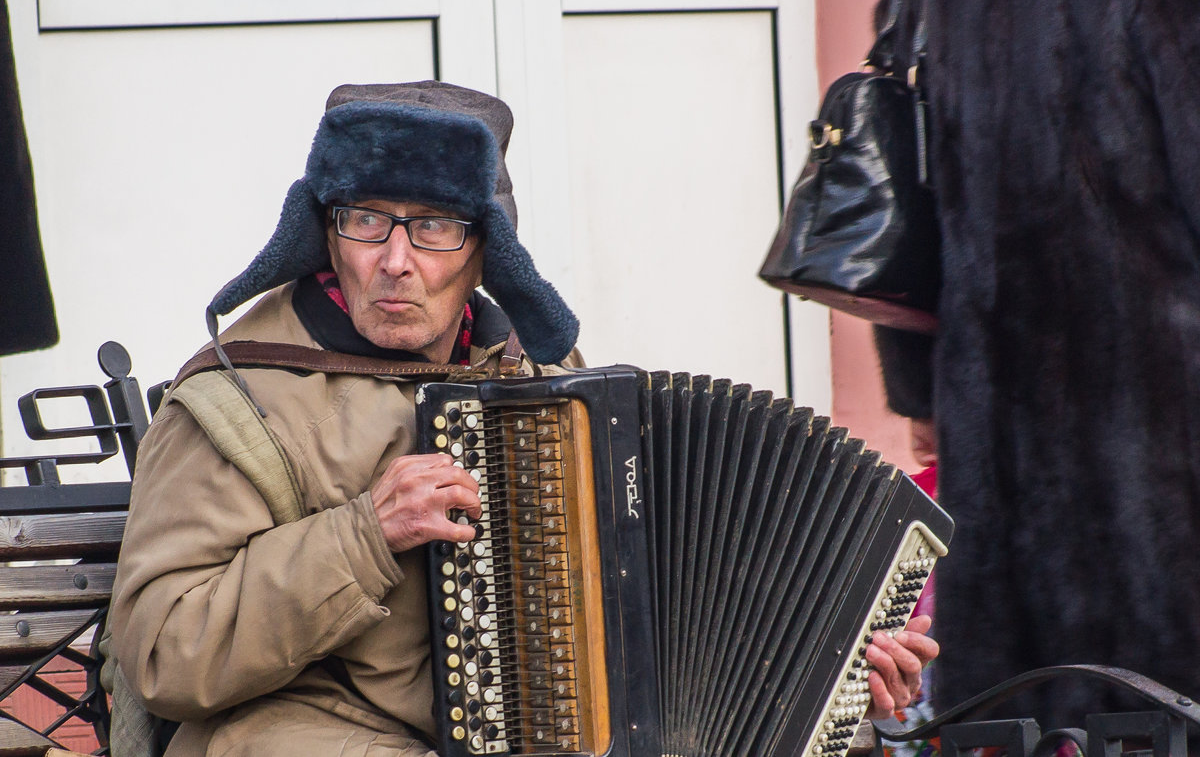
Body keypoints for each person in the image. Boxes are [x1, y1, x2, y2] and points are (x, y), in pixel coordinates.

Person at [110, 81, 937, 756]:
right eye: (365, 221)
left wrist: (830, 666)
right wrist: (363, 535)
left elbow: (656, 616)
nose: (395, 261)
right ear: (326, 233)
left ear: (484, 250)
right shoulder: (235, 400)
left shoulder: (549, 385)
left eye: (433, 226)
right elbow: (161, 656)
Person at [873, 0, 1200, 731]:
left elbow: (900, 173)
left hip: (995, 404)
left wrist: (920, 387)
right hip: (1160, 412)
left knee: (1028, 710)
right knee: (1162, 697)